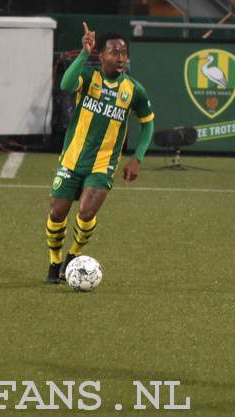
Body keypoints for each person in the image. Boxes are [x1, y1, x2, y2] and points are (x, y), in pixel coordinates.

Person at [45, 24, 155, 283]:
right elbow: (65, 83)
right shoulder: (88, 75)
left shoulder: (133, 90)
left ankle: (74, 256)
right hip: (72, 158)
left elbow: (148, 122)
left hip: (103, 163)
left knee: (85, 212)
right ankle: (54, 262)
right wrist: (84, 53)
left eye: (124, 53)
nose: (120, 58)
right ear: (102, 55)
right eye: (114, 52)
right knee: (56, 213)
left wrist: (137, 158)